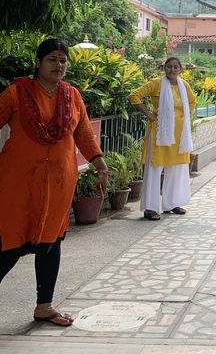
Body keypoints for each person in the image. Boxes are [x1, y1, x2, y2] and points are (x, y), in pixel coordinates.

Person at [0, 38, 107, 326]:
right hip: (19, 183)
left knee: (51, 241)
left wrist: (99, 164)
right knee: (10, 243)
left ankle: (44, 306)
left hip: (60, 182)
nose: (58, 65)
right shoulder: (17, 92)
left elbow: (83, 134)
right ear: (38, 62)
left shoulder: (72, 96)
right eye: (52, 59)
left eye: (63, 60)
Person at [129, 57, 195, 220]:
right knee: (155, 168)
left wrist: (183, 117)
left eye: (175, 67)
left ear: (180, 70)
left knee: (176, 168)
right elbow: (134, 96)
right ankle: (150, 208)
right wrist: (149, 114)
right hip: (160, 133)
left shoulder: (184, 85)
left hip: (179, 136)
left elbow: (192, 102)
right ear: (164, 68)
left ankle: (171, 204)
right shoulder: (156, 83)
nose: (172, 70)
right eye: (169, 66)